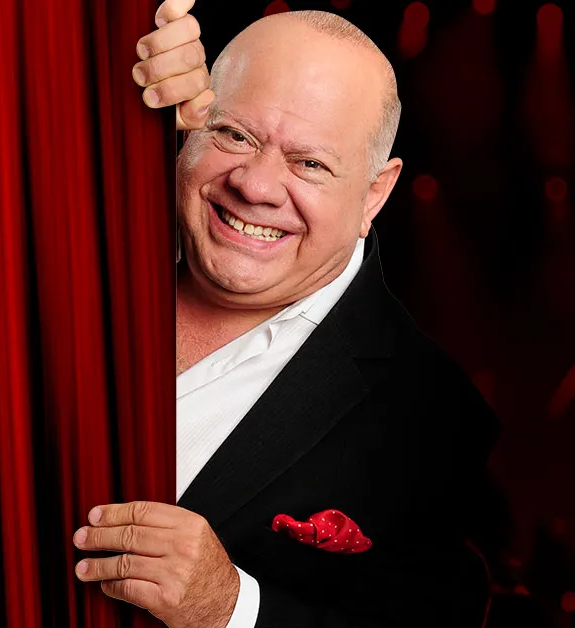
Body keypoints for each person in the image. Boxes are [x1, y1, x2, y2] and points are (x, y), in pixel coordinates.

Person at [72, 2, 500, 626]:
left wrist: (231, 607)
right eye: (234, 135)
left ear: (374, 194)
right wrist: (104, 62)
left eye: (310, 164)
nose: (256, 186)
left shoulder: (437, 421)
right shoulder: (82, 247)